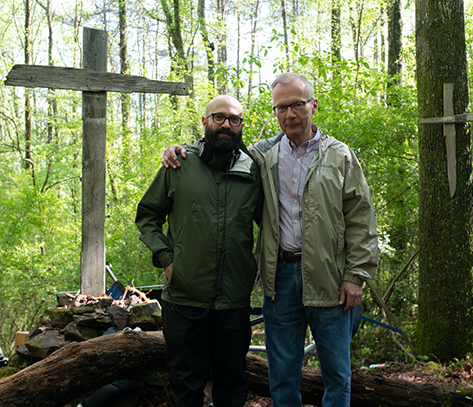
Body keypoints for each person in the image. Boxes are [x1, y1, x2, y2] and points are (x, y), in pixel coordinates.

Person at [162, 73, 378, 407]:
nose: (290, 114)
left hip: (330, 277)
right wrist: (179, 150)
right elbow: (218, 149)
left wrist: (355, 276)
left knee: (337, 376)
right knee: (282, 377)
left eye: (297, 105)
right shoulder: (261, 156)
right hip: (280, 279)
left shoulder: (340, 156)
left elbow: (361, 218)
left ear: (313, 106)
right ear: (274, 112)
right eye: (281, 107)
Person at [136, 95, 262, 407]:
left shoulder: (253, 172)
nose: (226, 125)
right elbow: (148, 216)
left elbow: (275, 225)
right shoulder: (179, 164)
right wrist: (167, 261)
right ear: (204, 122)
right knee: (186, 386)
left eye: (234, 120)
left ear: (241, 126)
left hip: (234, 301)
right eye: (218, 118)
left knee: (232, 384)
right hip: (184, 299)